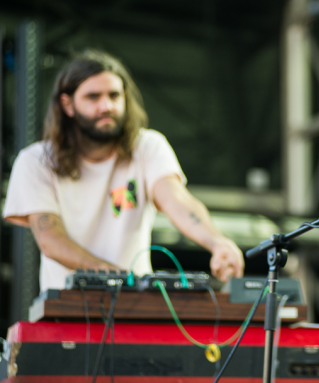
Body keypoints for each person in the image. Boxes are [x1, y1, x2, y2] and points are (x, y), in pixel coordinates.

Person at [3, 49, 244, 291]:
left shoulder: (147, 146)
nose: (106, 106)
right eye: (93, 97)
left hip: (137, 309)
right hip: (67, 310)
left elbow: (177, 201)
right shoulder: (35, 160)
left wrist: (218, 242)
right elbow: (51, 240)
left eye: (114, 95)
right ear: (67, 105)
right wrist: (117, 277)